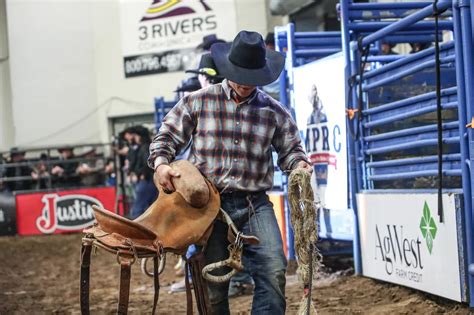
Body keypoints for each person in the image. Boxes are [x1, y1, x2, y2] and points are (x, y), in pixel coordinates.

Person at [149, 30, 312, 314]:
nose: (245, 83)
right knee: (212, 286)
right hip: (208, 204)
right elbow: (166, 137)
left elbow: (292, 151)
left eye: (251, 78)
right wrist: (162, 162)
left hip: (254, 203)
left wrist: (300, 166)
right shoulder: (198, 101)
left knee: (274, 270)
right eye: (240, 75)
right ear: (227, 70)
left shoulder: (274, 112)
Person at [129, 126, 157, 219]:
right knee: (152, 208)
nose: (135, 138)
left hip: (146, 180)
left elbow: (147, 163)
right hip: (150, 180)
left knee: (138, 210)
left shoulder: (144, 147)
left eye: (136, 135)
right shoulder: (147, 146)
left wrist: (142, 174)